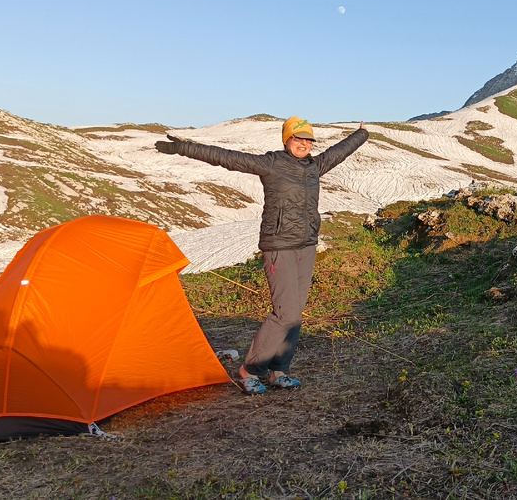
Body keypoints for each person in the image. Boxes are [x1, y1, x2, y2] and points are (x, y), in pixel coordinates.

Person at [154, 117, 369, 394]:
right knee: (284, 312)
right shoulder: (271, 164)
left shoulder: (315, 166)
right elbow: (227, 158)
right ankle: (250, 370)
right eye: (297, 138)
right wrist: (184, 148)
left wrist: (361, 135)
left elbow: (339, 152)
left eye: (308, 140)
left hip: (305, 246)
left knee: (295, 313)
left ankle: (279, 370)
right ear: (286, 139)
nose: (303, 144)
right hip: (278, 246)